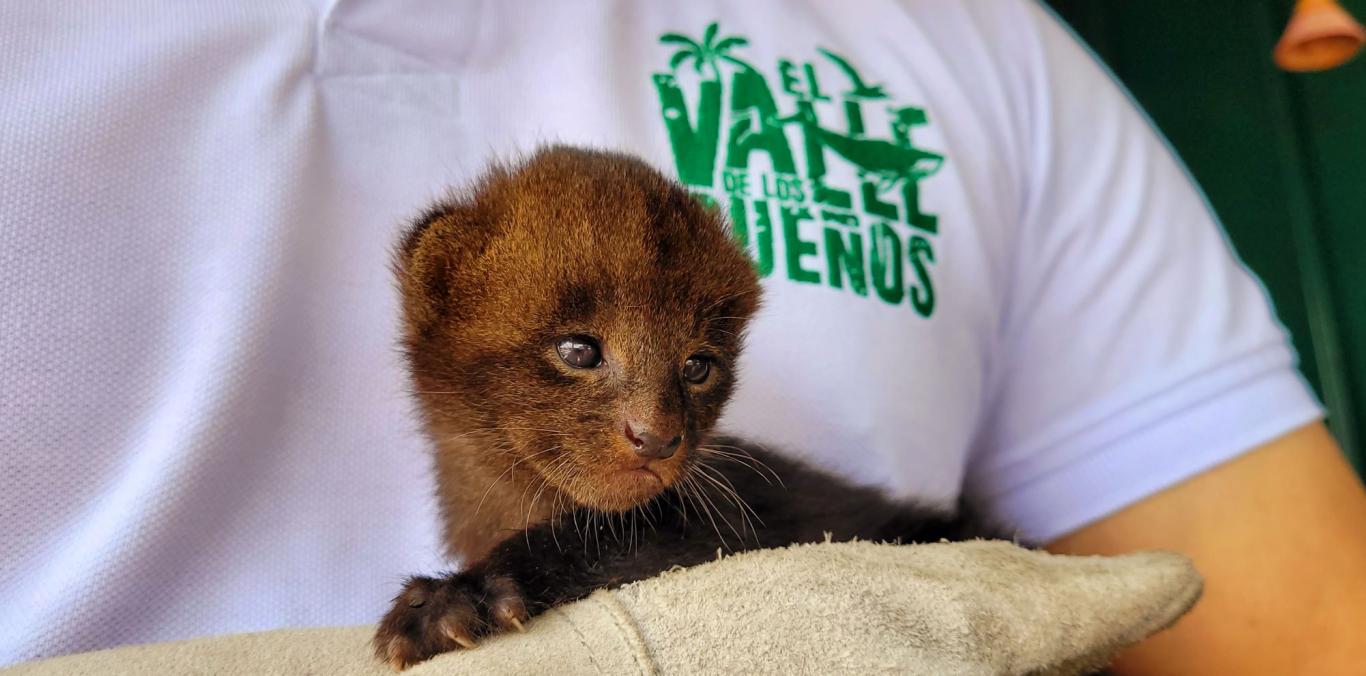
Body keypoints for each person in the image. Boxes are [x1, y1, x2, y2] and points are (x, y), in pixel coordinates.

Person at [2, 1, 1363, 672]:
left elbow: (1304, 628)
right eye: (581, 356)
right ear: (440, 294)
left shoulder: (965, 35)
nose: (657, 425)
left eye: (696, 372)